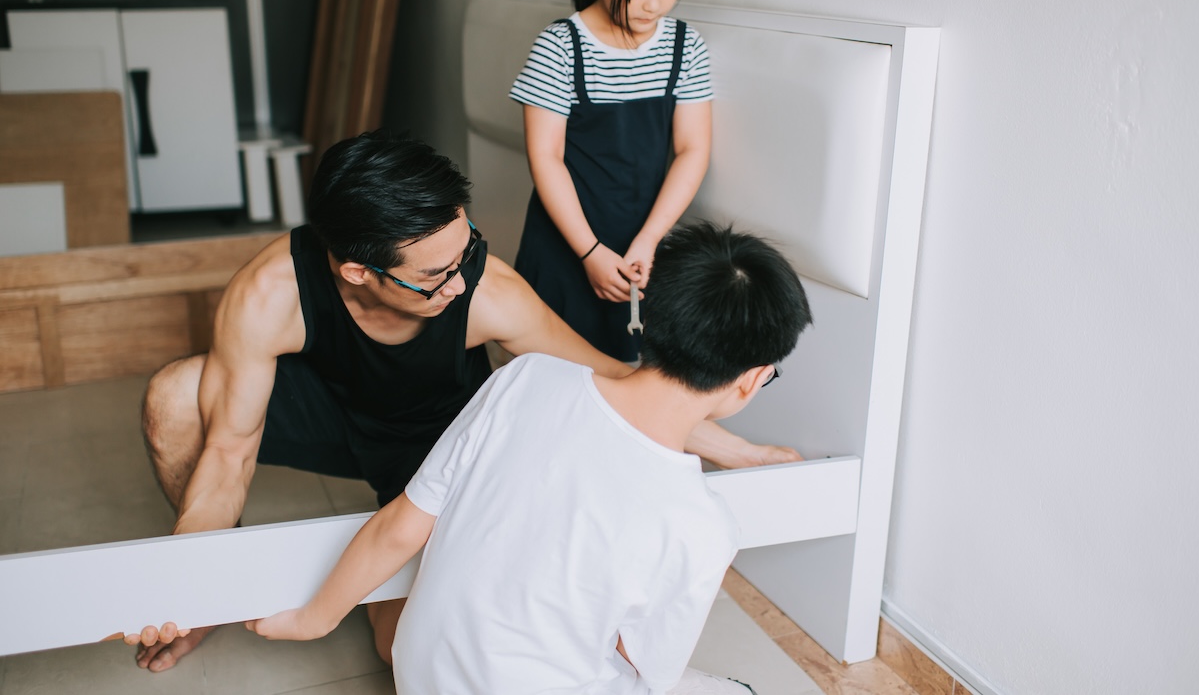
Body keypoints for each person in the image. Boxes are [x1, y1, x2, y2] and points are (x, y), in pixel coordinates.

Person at [126, 131, 799, 672]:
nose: (460, 279)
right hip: (335, 414)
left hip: (441, 440)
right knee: (176, 397)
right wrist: (196, 584)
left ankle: (381, 562)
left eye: (465, 248)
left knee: (401, 645)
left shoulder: (487, 291)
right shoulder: (270, 293)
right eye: (435, 274)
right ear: (356, 270)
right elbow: (227, 453)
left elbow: (623, 383)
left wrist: (736, 448)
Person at [247, 220, 813, 694]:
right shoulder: (703, 525)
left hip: (422, 679)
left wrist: (311, 618)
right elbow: (647, 665)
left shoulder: (525, 377)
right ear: (752, 379)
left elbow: (399, 525)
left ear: (647, 319)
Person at [510, 0, 711, 362]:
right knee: (550, 370)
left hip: (642, 243)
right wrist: (590, 252)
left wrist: (649, 238)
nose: (654, 3)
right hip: (566, 243)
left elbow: (692, 150)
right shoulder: (561, 46)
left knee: (629, 374)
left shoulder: (685, 46)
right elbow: (546, 158)